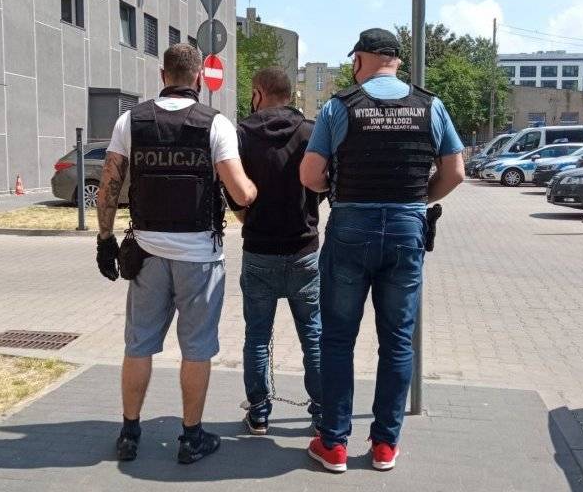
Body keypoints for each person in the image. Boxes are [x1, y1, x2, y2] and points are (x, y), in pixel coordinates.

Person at [299, 28, 465, 473]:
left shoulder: (339, 107)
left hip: (350, 229)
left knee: (337, 338)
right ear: (396, 61)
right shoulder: (431, 106)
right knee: (397, 341)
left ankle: (333, 444)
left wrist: (339, 185)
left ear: (361, 59)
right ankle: (385, 445)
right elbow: (455, 172)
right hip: (407, 230)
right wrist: (418, 199)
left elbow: (310, 175)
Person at [95, 43, 257, 465]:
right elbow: (241, 193)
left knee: (138, 344)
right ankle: (191, 438)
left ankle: (129, 433)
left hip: (147, 253)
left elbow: (108, 185)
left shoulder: (131, 121)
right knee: (196, 349)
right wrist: (253, 189)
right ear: (199, 77)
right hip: (199, 258)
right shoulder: (215, 124)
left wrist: (104, 238)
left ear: (162, 75)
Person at [231, 67, 322, 436]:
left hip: (259, 250)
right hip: (303, 249)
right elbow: (322, 183)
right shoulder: (311, 131)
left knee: (257, 336)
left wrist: (247, 216)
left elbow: (232, 189)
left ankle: (259, 412)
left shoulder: (241, 133)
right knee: (313, 335)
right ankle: (321, 412)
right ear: (290, 95)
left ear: (258, 92)